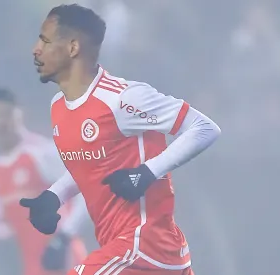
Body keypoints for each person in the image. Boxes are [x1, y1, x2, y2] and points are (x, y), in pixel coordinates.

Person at [20, 4, 221, 275]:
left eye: (45, 40)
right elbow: (92, 165)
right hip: (131, 252)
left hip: (145, 246)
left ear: (72, 48)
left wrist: (147, 172)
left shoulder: (122, 98)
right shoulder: (59, 107)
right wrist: (54, 196)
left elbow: (204, 128)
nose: (36, 49)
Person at [0, 88, 88, 275]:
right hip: (33, 265)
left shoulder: (41, 152)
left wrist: (64, 238)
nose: (1, 122)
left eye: (6, 114)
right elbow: (3, 226)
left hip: (63, 259)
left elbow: (85, 191)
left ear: (20, 114)